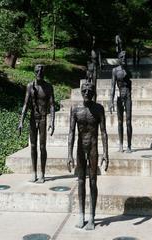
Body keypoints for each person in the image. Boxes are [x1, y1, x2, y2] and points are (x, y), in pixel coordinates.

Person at [67, 82, 109, 230]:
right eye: (84, 90)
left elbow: (103, 132)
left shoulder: (98, 109)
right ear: (81, 92)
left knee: (92, 181)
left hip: (93, 148)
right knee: (80, 181)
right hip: (80, 148)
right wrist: (69, 155)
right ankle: (81, 215)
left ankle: (91, 216)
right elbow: (71, 132)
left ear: (93, 93)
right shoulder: (75, 109)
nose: (86, 92)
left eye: (89, 90)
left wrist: (106, 153)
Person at [18, 64, 55, 183]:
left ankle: (42, 173)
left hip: (43, 118)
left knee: (42, 146)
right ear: (34, 72)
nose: (39, 73)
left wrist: (52, 121)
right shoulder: (30, 86)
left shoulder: (48, 87)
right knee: (33, 146)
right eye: (37, 71)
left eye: (41, 71)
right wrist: (21, 121)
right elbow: (25, 104)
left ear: (44, 73)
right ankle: (34, 172)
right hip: (33, 118)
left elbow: (52, 105)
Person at [110, 52, 132, 153]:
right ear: (119, 59)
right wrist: (111, 101)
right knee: (119, 122)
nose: (124, 59)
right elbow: (113, 86)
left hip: (127, 96)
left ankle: (129, 145)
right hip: (119, 97)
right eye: (122, 57)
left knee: (128, 121)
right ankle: (121, 145)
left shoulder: (128, 70)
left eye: (125, 57)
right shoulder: (115, 70)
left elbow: (130, 84)